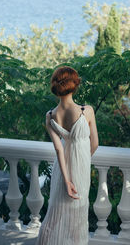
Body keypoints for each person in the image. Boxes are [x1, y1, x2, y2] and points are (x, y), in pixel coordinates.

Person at [35, 66, 99, 245]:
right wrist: (83, 160)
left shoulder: (50, 116)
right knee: (78, 217)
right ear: (75, 84)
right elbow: (95, 143)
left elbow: (58, 149)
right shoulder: (87, 111)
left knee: (53, 215)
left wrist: (65, 179)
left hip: (61, 170)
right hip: (81, 167)